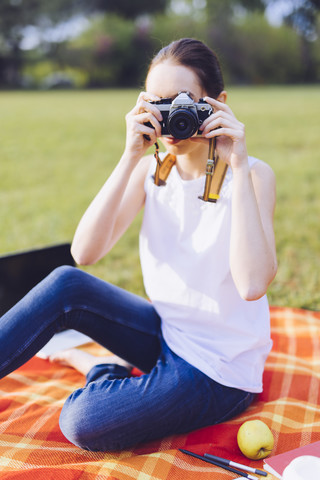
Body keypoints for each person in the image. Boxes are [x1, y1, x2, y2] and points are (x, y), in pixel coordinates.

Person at [0, 38, 277, 452]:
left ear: (218, 104)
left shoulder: (252, 176)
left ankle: (102, 368)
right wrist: (130, 155)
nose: (174, 119)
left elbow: (253, 284)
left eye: (185, 103)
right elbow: (84, 253)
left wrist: (235, 159)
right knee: (65, 284)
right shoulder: (153, 169)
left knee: (84, 420)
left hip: (218, 372)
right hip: (167, 333)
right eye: (160, 105)